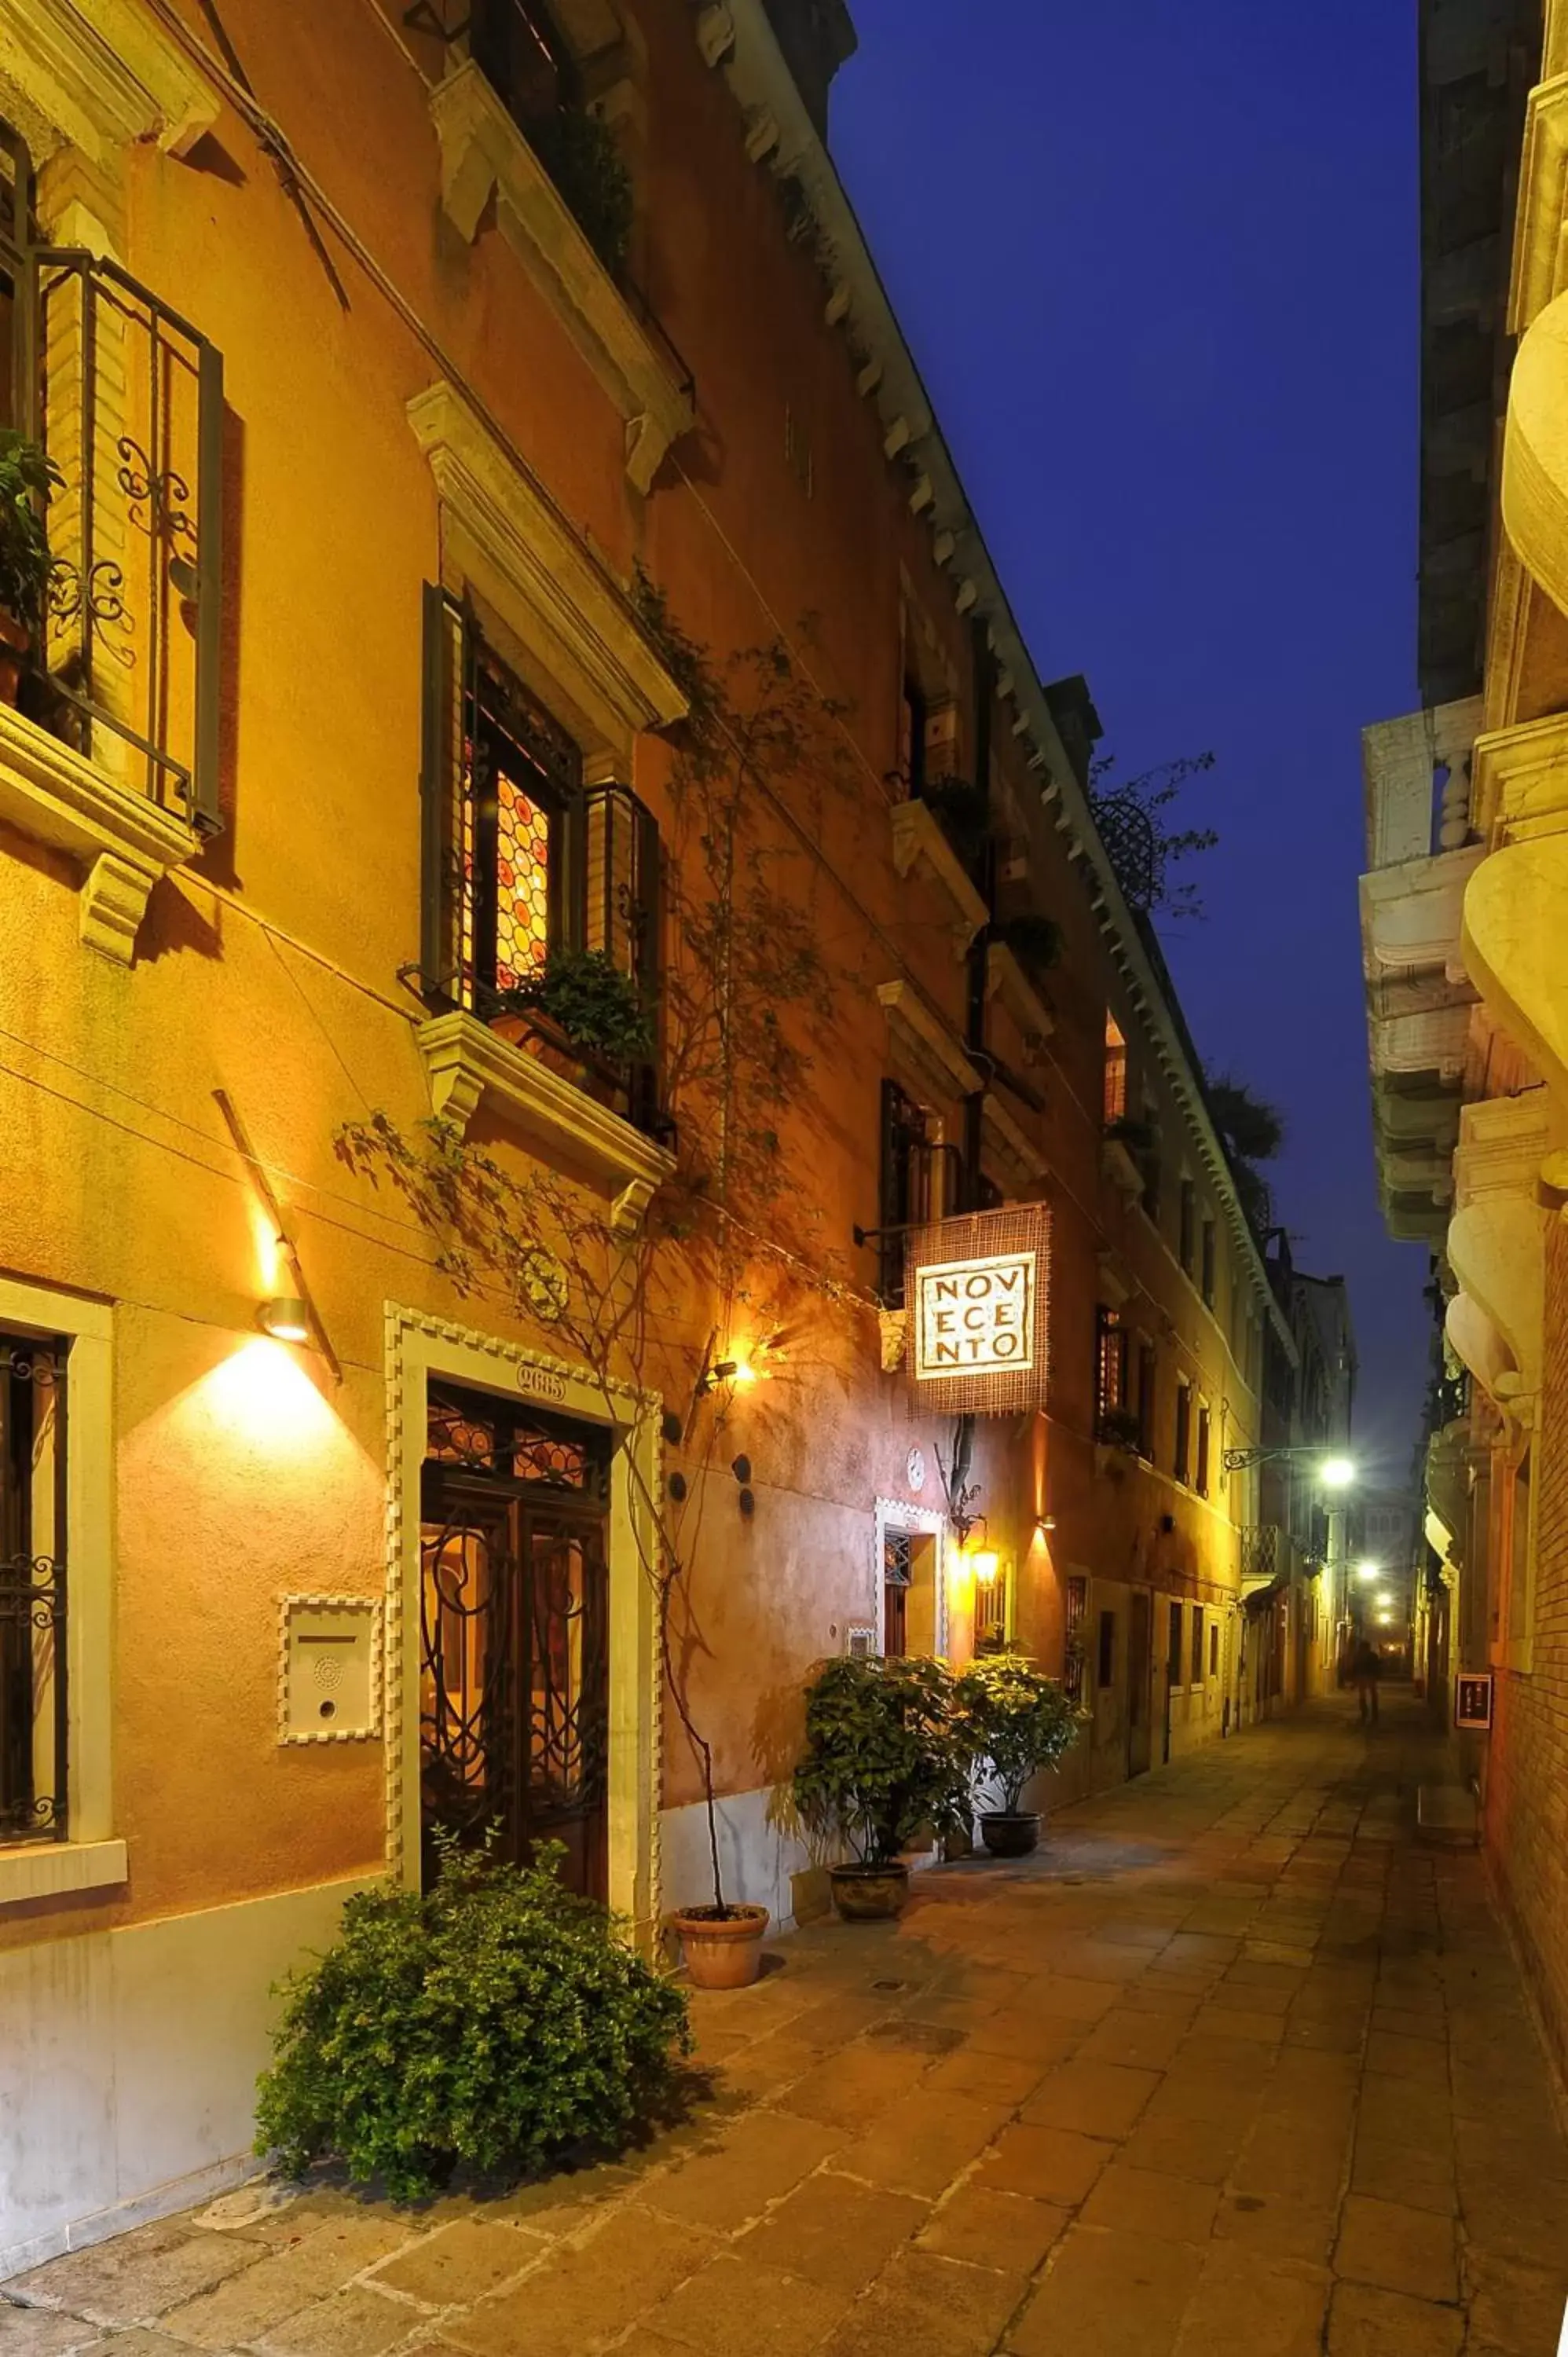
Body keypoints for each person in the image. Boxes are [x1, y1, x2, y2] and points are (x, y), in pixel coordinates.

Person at [1349, 1634, 1383, 1727]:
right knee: (1373, 1695)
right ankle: (1374, 1713)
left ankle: (1365, 1712)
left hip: (1361, 1677)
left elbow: (1354, 1668)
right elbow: (1378, 1667)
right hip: (1371, 1677)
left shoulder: (1358, 1656)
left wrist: (1353, 1680)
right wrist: (1377, 1676)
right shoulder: (1373, 1656)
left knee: (1362, 1695)